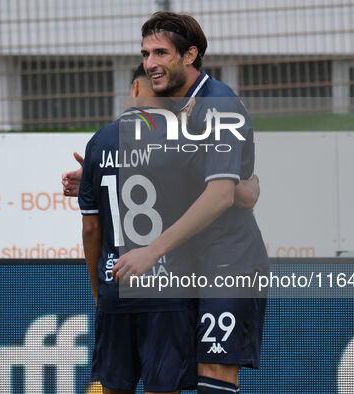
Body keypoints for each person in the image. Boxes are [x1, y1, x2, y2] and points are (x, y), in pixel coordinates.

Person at [112, 12, 269, 394]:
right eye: (146, 53)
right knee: (166, 372)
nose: (150, 63)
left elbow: (220, 196)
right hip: (182, 257)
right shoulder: (165, 105)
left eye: (161, 53)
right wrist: (98, 176)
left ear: (190, 55)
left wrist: (152, 251)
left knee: (213, 368)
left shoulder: (218, 104)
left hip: (227, 258)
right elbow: (163, 171)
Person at [78, 64, 198, 393]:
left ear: (134, 89)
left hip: (116, 286)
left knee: (114, 388)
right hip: (169, 291)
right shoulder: (184, 141)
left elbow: (91, 228)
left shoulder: (99, 142)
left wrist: (98, 287)